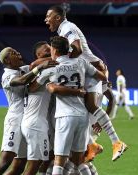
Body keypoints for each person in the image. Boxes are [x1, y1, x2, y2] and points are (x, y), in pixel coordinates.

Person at [44, 5, 127, 161]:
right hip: (88, 71)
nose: (46, 19)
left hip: (93, 71)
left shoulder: (68, 27)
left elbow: (77, 49)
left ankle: (116, 142)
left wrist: (60, 61)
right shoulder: (63, 31)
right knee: (81, 112)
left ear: (58, 17)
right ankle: (92, 145)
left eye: (48, 16)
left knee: (89, 107)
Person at [36, 36, 107, 175]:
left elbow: (33, 86)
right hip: (82, 116)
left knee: (59, 160)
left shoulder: (52, 68)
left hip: (65, 116)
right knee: (79, 160)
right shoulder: (81, 62)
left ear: (55, 50)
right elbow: (102, 77)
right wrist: (104, 70)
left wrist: (50, 84)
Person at [0, 47, 57, 175]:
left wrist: (57, 55)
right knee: (4, 163)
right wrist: (39, 67)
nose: (18, 53)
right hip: (15, 120)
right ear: (7, 60)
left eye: (17, 51)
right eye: (14, 53)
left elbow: (34, 65)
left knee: (19, 166)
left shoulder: (23, 70)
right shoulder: (7, 75)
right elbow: (22, 80)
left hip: (26, 120)